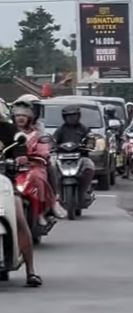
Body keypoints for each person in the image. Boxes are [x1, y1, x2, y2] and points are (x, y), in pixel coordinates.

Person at [0, 114, 42, 287]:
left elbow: (20, 147)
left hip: (4, 184)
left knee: (19, 217)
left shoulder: (8, 130)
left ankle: (30, 271)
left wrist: (20, 157)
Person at [11, 101, 67, 225]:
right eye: (18, 115)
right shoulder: (8, 132)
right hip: (11, 168)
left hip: (33, 167)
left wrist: (31, 157)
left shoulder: (36, 134)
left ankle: (41, 212)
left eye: (24, 116)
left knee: (37, 178)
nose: (20, 118)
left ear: (29, 118)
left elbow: (44, 151)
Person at [52, 105, 96, 207]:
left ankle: (84, 190)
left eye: (74, 116)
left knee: (90, 167)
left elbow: (90, 139)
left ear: (79, 116)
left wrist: (89, 144)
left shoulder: (84, 129)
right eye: (69, 116)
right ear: (64, 117)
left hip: (81, 157)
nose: (71, 118)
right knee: (52, 168)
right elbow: (53, 141)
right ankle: (57, 193)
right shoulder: (60, 130)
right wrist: (52, 146)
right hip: (62, 159)